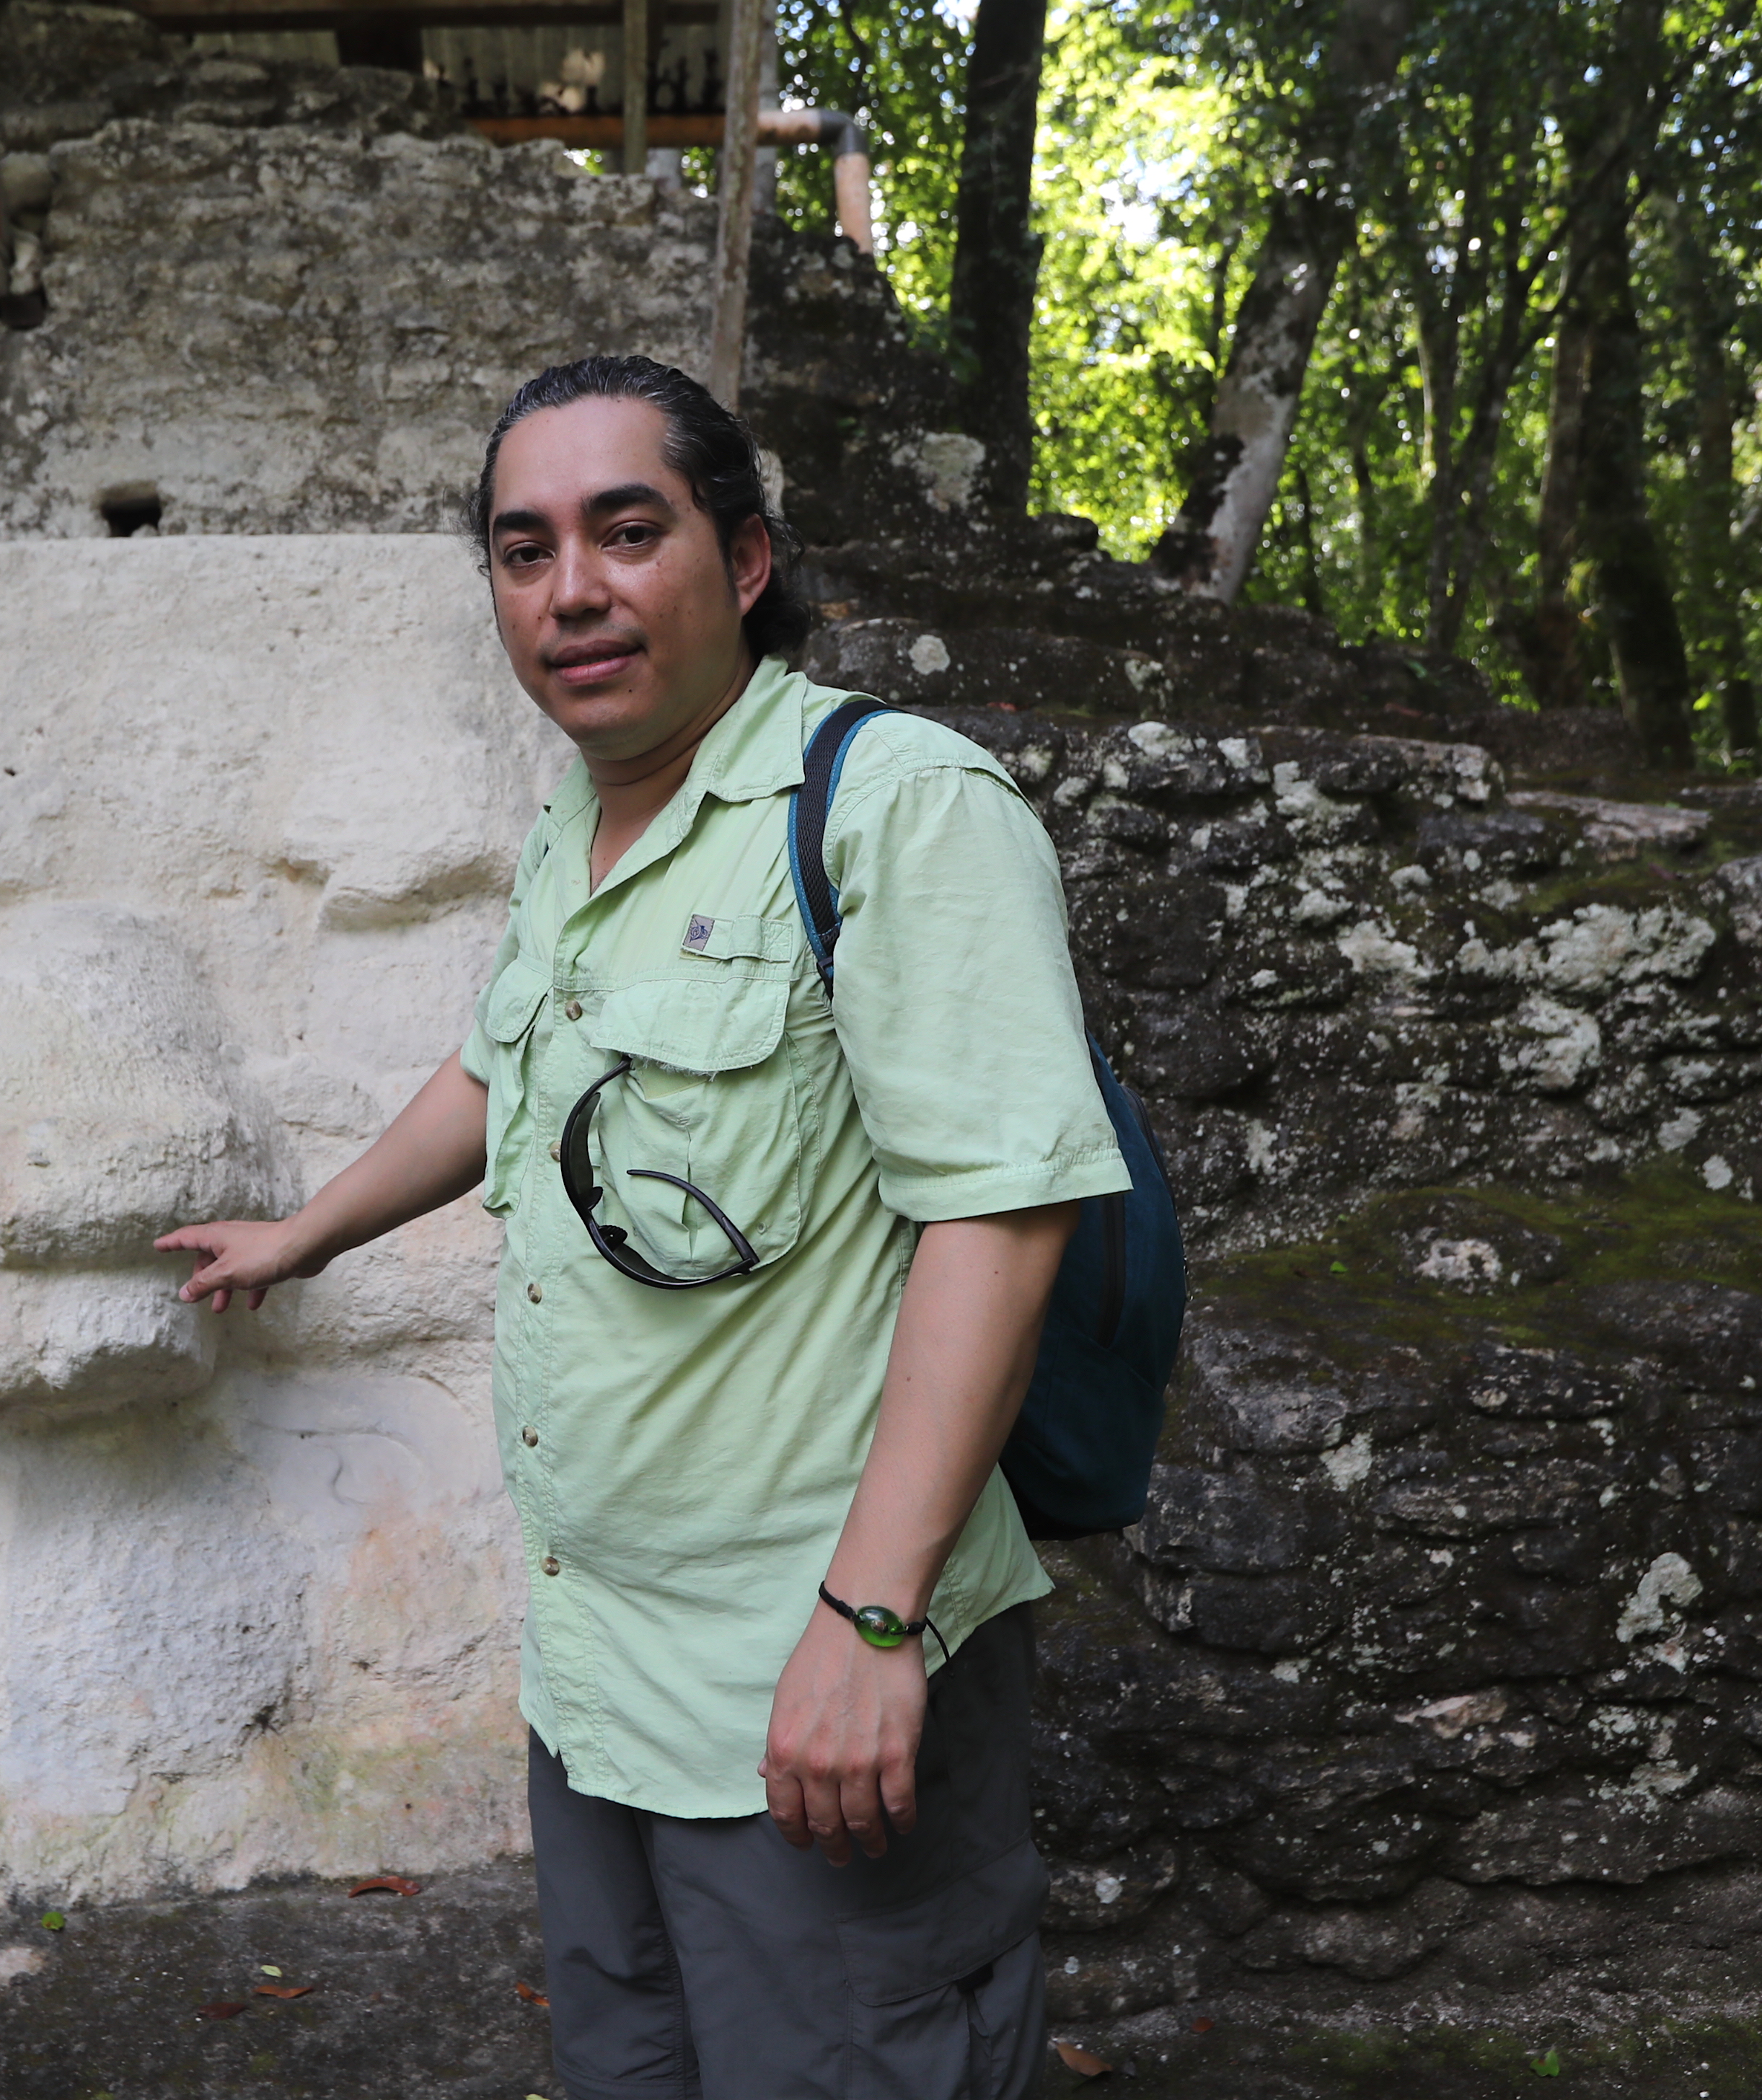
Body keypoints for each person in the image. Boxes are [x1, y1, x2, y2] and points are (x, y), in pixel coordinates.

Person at [155, 354, 1127, 2099]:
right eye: (523, 552)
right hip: (604, 1674)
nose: (571, 591)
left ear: (744, 562)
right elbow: (498, 1070)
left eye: (626, 530)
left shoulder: (896, 807)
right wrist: (309, 1232)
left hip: (815, 1677)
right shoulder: (582, 831)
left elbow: (1004, 1214)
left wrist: (874, 1621)